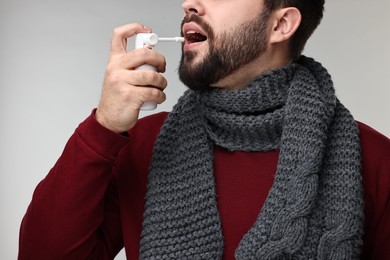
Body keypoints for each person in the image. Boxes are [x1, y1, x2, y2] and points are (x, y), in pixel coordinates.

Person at [18, 0, 390, 259]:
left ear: (280, 25)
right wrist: (103, 128)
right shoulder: (141, 144)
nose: (189, 4)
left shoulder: (372, 160)